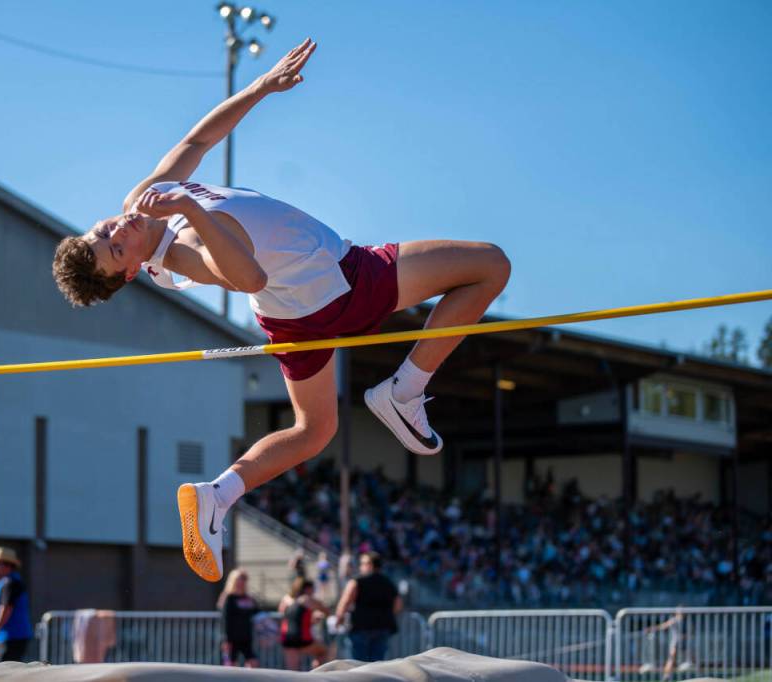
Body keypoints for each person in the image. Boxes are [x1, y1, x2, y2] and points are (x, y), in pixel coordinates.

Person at [51, 38, 511, 583]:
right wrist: (190, 207)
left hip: (299, 311)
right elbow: (248, 277)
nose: (118, 230)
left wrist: (258, 89)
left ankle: (217, 494)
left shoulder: (141, 200)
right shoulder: (180, 254)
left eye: (104, 231)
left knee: (314, 431)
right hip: (338, 282)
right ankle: (405, 389)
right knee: (490, 266)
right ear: (130, 272)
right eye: (117, 249)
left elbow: (197, 139)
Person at [335, 552, 401, 662]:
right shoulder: (388, 582)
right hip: (382, 627)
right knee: (376, 665)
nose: (360, 566)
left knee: (357, 665)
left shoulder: (357, 581)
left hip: (360, 627)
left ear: (369, 565)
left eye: (362, 563)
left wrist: (339, 618)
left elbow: (346, 601)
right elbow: (398, 605)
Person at [0, 546, 34, 662]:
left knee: (6, 671)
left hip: (12, 637)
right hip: (7, 636)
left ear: (8, 566)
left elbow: (6, 608)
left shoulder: (11, 583)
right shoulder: (6, 583)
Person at [278, 577, 330, 671]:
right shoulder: (307, 599)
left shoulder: (286, 599)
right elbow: (326, 610)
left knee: (292, 670)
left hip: (287, 637)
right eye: (312, 589)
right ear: (307, 588)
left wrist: (310, 619)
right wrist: (319, 614)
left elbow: (288, 615)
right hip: (302, 637)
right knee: (323, 651)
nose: (313, 591)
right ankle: (316, 675)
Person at [217, 568, 259, 668]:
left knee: (253, 662)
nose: (242, 581)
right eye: (240, 578)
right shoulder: (229, 598)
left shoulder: (248, 598)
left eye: (244, 579)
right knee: (231, 665)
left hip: (246, 637)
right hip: (231, 638)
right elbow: (225, 619)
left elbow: (257, 613)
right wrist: (226, 639)